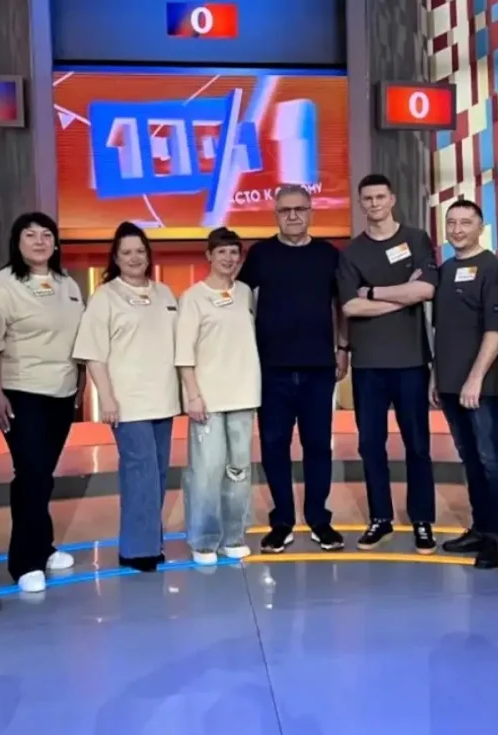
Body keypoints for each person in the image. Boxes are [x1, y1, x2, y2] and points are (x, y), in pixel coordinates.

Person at [239, 185, 348, 554]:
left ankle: (319, 519)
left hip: (319, 367)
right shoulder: (260, 254)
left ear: (311, 211)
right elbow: (240, 303)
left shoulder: (328, 255)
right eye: (285, 210)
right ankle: (282, 521)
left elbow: (341, 306)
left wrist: (343, 349)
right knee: (274, 446)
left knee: (318, 445)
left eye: (300, 209)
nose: (293, 216)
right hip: (271, 370)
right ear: (276, 214)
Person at [0, 212, 83, 593]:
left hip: (62, 390)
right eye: (30, 235)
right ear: (17, 242)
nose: (40, 242)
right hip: (21, 391)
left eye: (46, 235)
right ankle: (24, 561)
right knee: (31, 473)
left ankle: (44, 545)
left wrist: (80, 382)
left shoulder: (67, 284)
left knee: (44, 473)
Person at [338, 173, 438, 553]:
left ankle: (422, 520)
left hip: (411, 361)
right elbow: (351, 306)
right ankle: (380, 518)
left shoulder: (415, 239)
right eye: (368, 198)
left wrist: (375, 293)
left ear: (392, 199)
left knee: (418, 444)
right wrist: (402, 297)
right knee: (370, 445)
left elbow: (426, 289)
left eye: (380, 197)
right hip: (368, 365)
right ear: (361, 203)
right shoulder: (352, 252)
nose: (374, 204)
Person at [74, 222, 181, 571]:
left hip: (164, 399)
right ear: (116, 258)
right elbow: (93, 354)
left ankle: (150, 541)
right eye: (126, 253)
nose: (134, 258)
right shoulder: (105, 296)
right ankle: (136, 550)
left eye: (139, 251)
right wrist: (106, 398)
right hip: (127, 403)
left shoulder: (164, 294)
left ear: (148, 255)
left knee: (158, 474)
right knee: (140, 473)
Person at [429, 199, 498, 569]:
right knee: (470, 459)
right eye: (451, 223)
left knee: (491, 459)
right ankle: (481, 528)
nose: (457, 229)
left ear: (481, 228)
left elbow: (497, 329)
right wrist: (437, 376)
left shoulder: (493, 268)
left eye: (466, 222)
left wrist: (476, 378)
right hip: (450, 383)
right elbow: (442, 330)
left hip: (481, 386)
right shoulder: (446, 270)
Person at [176, 227, 261, 564]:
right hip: (208, 398)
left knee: (239, 469)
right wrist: (193, 395)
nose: (228, 258)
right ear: (209, 255)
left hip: (244, 394)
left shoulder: (245, 293)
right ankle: (204, 540)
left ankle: (233, 535)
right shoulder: (192, 297)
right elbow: (184, 352)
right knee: (207, 470)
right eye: (221, 252)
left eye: (233, 252)